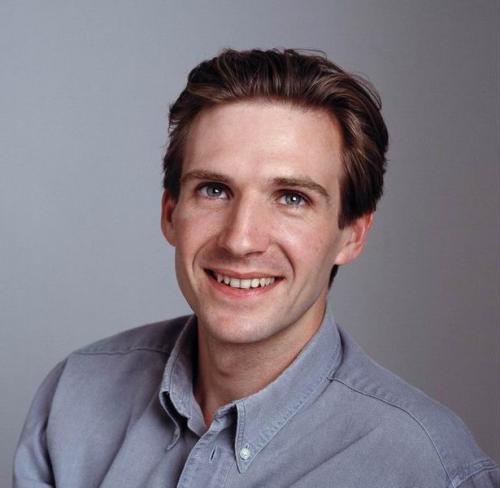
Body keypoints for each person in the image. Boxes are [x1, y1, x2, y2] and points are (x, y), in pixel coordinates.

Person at [14, 49, 499, 487]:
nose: (240, 240)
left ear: (352, 234)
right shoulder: (75, 398)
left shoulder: (429, 469)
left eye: (292, 198)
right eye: (214, 190)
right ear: (170, 213)